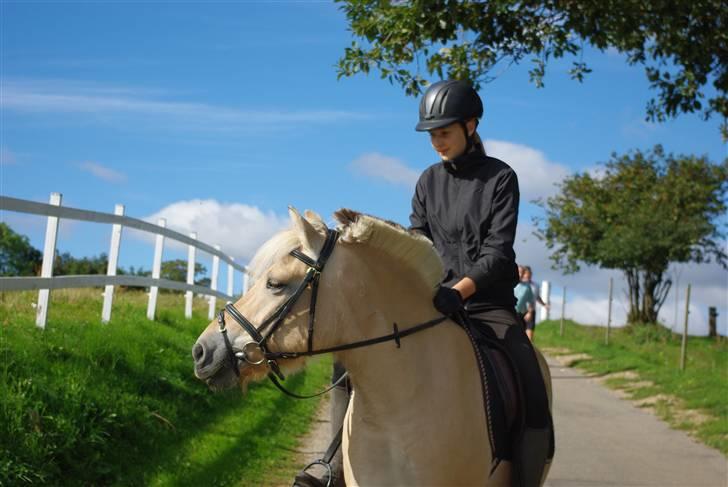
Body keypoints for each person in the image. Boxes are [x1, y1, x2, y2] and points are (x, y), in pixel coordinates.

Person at [409, 79, 553, 487]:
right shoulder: (427, 181)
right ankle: (330, 463)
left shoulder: (501, 178)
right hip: (435, 302)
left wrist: (460, 291)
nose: (438, 142)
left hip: (488, 306)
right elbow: (418, 241)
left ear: (470, 126)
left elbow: (498, 252)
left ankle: (522, 474)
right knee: (360, 363)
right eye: (432, 135)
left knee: (529, 377)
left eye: (445, 133)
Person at [521, 265, 549, 341]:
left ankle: (529, 350)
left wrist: (544, 304)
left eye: (530, 273)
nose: (528, 275)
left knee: (530, 332)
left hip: (531, 311)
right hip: (520, 311)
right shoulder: (518, 284)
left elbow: (537, 297)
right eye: (526, 273)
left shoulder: (535, 285)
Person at [514, 265, 536, 330]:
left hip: (520, 314)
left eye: (522, 272)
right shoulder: (508, 283)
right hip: (508, 312)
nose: (520, 274)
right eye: (519, 272)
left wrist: (529, 313)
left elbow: (531, 301)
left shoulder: (527, 287)